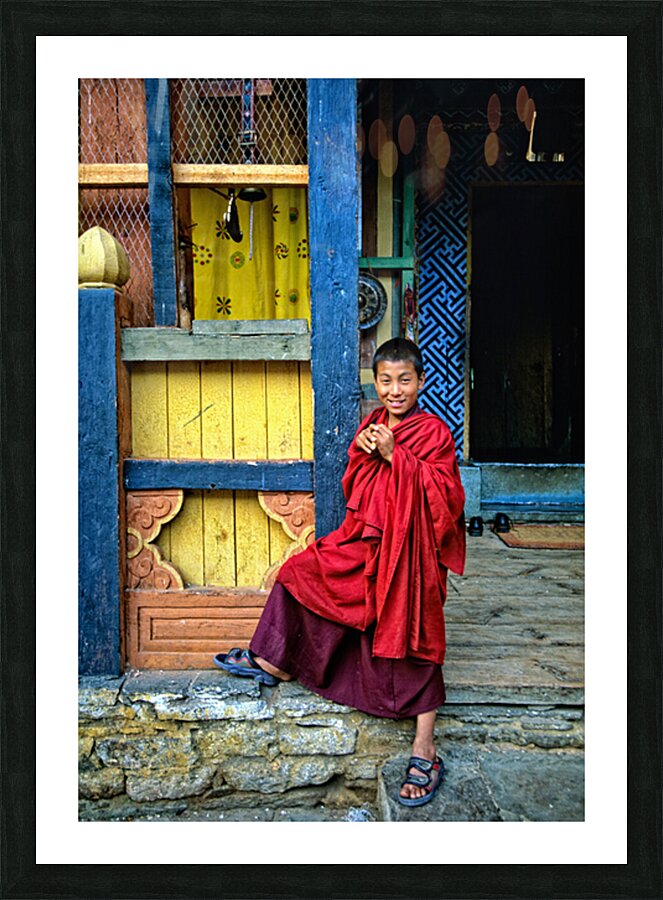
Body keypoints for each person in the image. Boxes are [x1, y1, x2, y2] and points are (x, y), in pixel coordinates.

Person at [214, 338, 466, 806]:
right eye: (386, 381)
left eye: (404, 380)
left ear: (421, 382)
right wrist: (367, 450)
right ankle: (275, 661)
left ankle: (424, 747)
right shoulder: (371, 425)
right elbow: (355, 482)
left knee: (416, 629)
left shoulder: (433, 433)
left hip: (409, 552)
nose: (395, 390)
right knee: (301, 572)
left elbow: (447, 499)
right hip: (365, 542)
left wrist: (396, 456)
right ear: (376, 383)